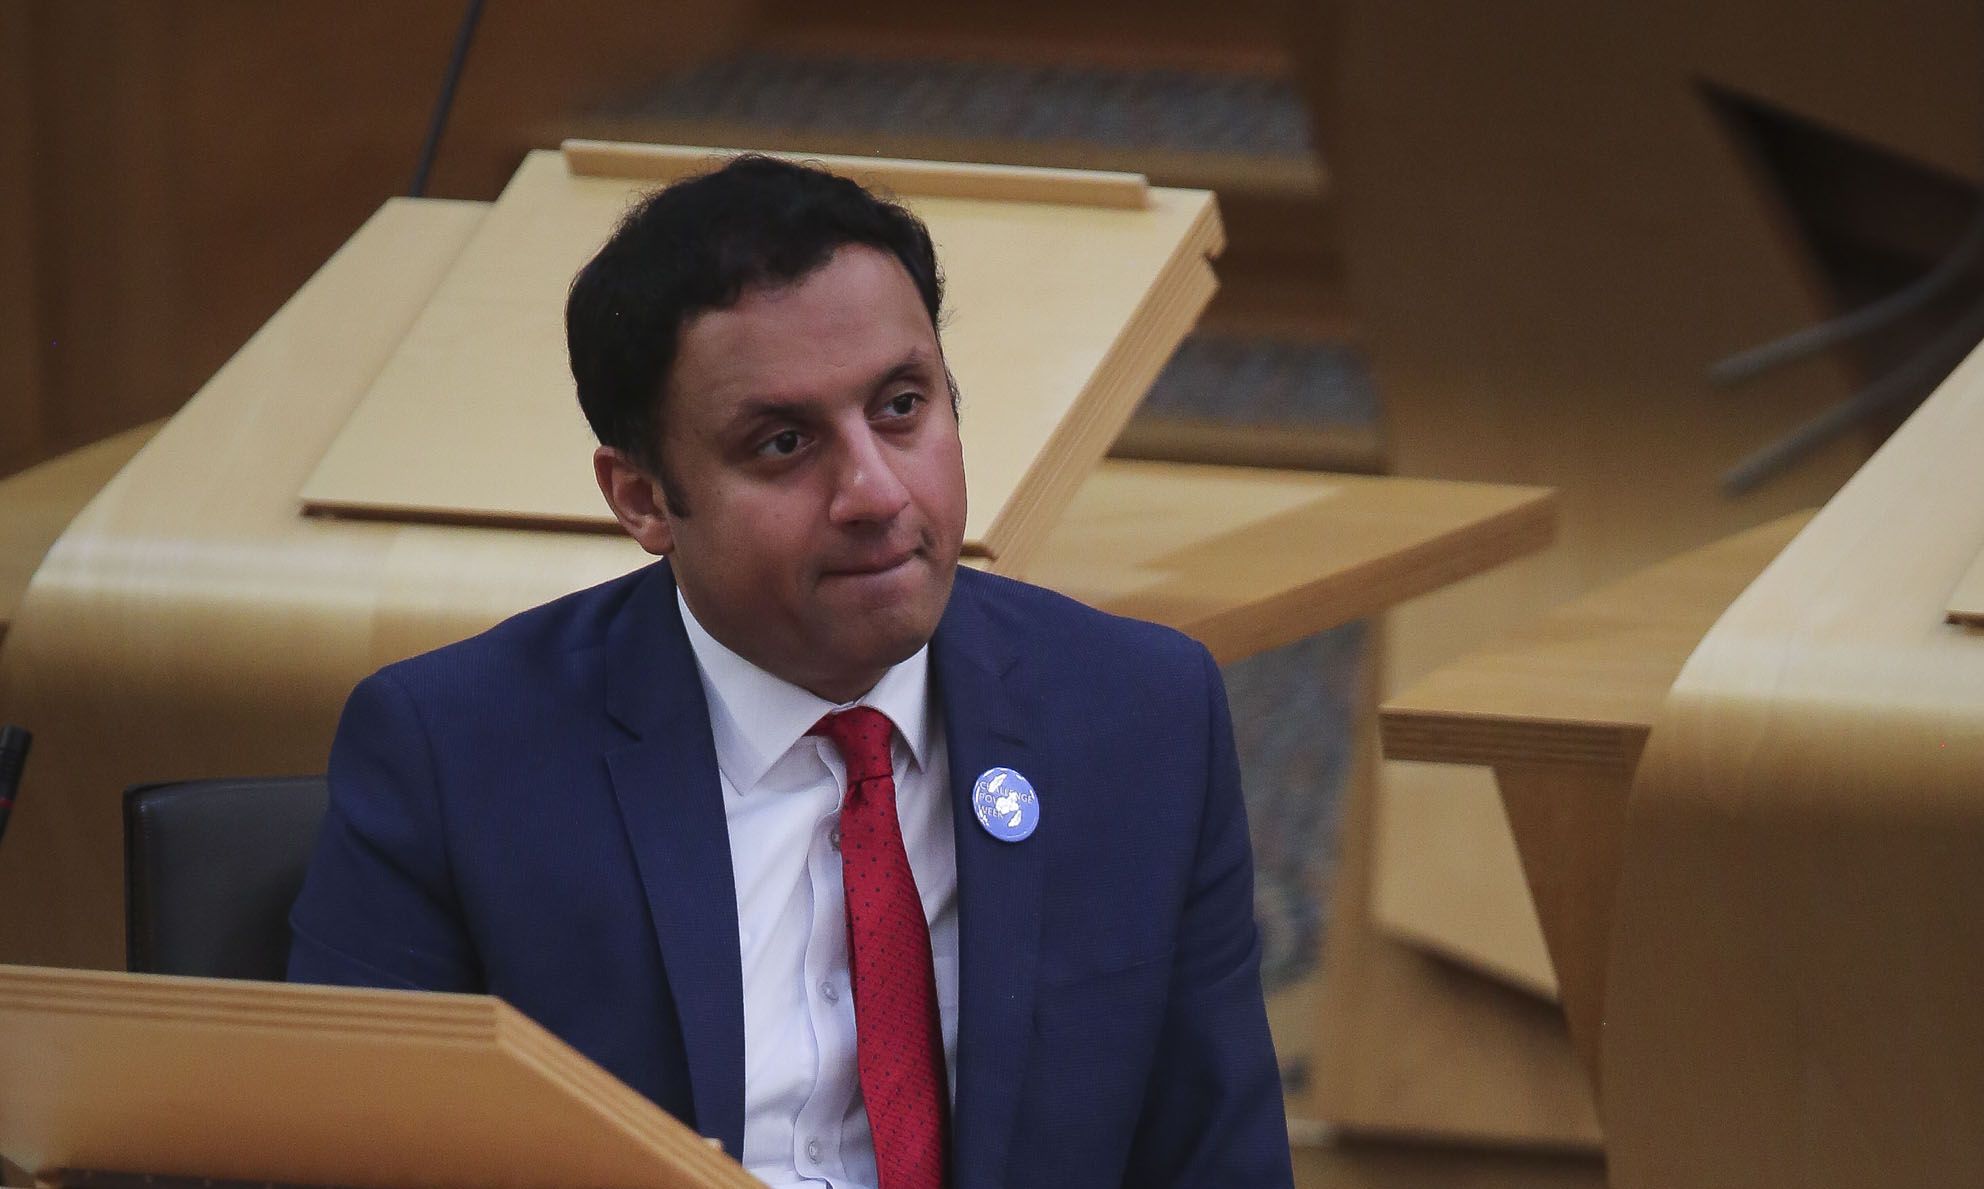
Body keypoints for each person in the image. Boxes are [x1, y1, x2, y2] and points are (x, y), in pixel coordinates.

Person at [288, 155, 1292, 1188]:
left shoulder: (1137, 715)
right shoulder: (457, 755)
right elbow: (337, 1163)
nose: (872, 490)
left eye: (902, 407)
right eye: (782, 442)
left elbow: (1217, 1161)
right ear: (640, 498)